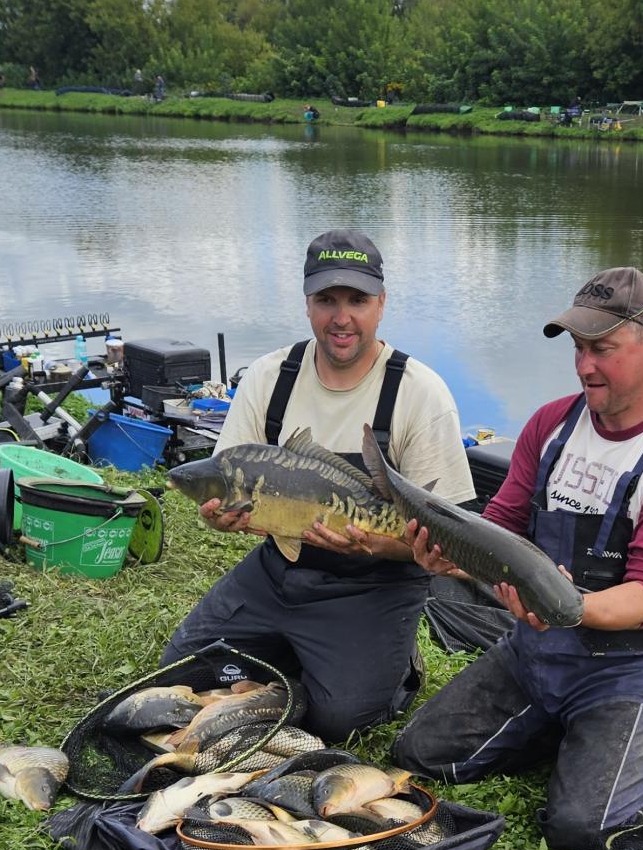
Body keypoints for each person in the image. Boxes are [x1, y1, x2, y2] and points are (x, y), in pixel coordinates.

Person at [395, 266, 643, 849]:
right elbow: (499, 527)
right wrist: (453, 558)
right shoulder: (552, 424)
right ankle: (577, 735)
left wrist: (562, 606)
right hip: (539, 650)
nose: (584, 366)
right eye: (578, 348)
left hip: (634, 668)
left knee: (581, 829)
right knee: (420, 754)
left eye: (602, 349)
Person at [161, 228, 474, 743]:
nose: (341, 317)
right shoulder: (270, 376)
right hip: (280, 568)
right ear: (307, 303)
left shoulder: (419, 393)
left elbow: (445, 534)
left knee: (339, 720)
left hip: (375, 581)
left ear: (381, 304)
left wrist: (375, 543)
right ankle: (297, 646)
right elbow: (226, 480)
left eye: (357, 300)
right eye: (327, 300)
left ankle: (396, 666)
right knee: (181, 675)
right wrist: (220, 519)